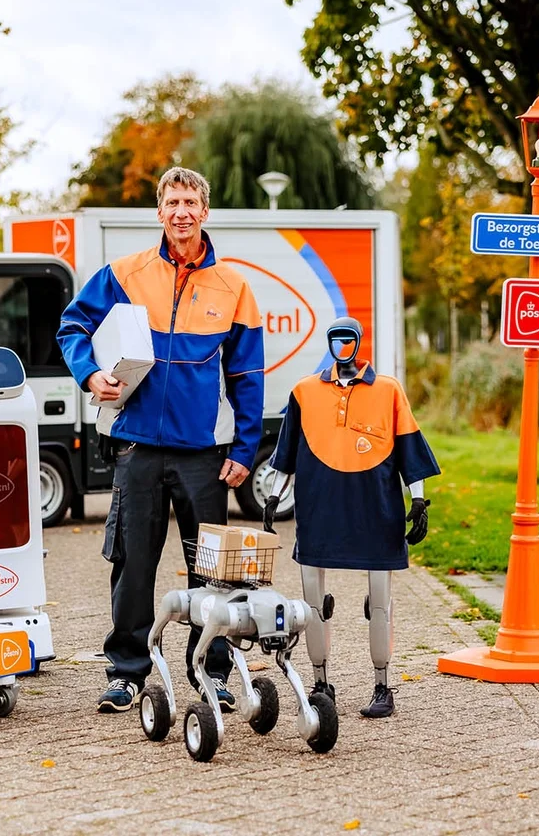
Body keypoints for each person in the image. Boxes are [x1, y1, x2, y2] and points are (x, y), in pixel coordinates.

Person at [56, 167, 265, 713]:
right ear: (158, 212)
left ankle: (211, 672)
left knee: (212, 571)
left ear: (205, 211)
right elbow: (72, 327)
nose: (181, 212)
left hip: (203, 454)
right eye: (172, 201)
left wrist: (244, 450)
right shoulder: (124, 273)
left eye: (191, 201)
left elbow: (247, 376)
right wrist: (89, 374)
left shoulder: (234, 288)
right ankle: (127, 670)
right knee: (133, 563)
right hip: (137, 448)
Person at [267, 316, 439, 718]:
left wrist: (418, 501)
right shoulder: (304, 391)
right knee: (313, 603)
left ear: (359, 342)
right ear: (328, 343)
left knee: (380, 603)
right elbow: (286, 454)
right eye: (335, 338)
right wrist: (273, 497)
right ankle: (320, 683)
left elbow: (410, 450)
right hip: (318, 510)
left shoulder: (389, 390)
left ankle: (382, 686)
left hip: (376, 511)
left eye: (348, 338)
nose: (342, 345)